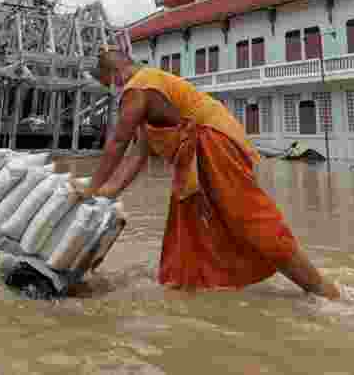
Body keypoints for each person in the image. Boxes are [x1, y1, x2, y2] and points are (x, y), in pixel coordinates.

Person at [75, 48, 340, 299]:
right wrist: (106, 192)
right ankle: (190, 290)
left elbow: (118, 142)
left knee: (250, 218)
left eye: (109, 84)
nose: (114, 91)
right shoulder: (151, 88)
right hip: (199, 151)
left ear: (114, 76)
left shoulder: (137, 88)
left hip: (211, 143)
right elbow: (137, 155)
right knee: (190, 231)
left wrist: (90, 187)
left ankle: (321, 290)